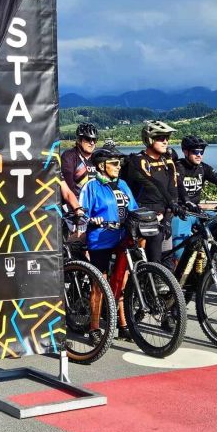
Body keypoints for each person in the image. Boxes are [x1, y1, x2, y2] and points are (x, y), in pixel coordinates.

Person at [78, 145, 137, 341]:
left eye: (120, 163)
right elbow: (81, 213)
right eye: (114, 163)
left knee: (121, 282)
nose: (118, 166)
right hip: (100, 239)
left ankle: (123, 324)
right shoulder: (91, 186)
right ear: (102, 166)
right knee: (99, 284)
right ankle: (94, 328)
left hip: (122, 237)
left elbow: (134, 208)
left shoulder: (123, 184)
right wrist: (90, 220)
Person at [170, 135, 217, 265]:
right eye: (195, 152)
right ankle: (176, 276)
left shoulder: (203, 168)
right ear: (185, 152)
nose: (199, 155)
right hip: (181, 213)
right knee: (180, 255)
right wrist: (187, 201)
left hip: (197, 212)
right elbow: (180, 187)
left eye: (201, 151)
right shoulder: (178, 167)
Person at [122, 120, 179, 264]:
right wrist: (171, 204)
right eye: (160, 138)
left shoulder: (168, 162)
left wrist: (168, 218)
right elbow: (154, 185)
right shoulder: (138, 161)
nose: (165, 141)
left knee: (167, 260)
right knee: (151, 261)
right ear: (149, 139)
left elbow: (173, 191)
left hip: (164, 215)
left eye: (167, 138)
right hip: (143, 215)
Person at [61, 123, 98, 199]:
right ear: (78, 140)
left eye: (94, 140)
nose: (92, 143)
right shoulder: (69, 157)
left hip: (96, 201)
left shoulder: (97, 157)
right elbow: (68, 189)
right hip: (77, 201)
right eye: (88, 139)